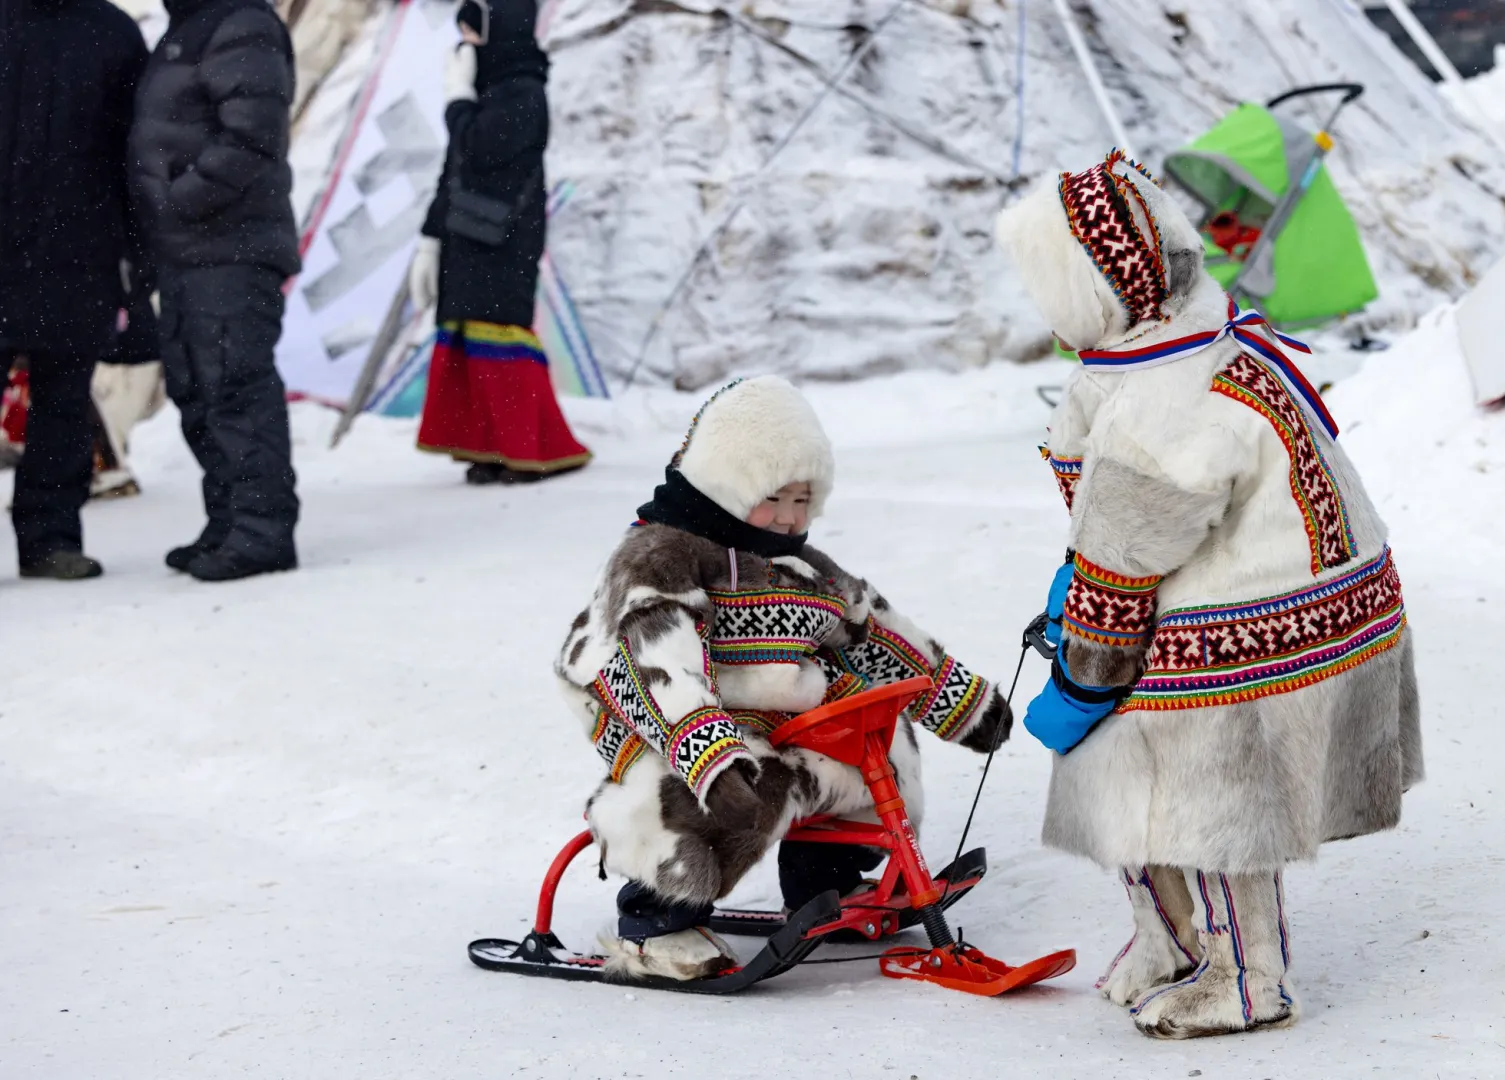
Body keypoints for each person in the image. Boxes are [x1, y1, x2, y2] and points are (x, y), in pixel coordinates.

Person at [996, 152, 1423, 1039]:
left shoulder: (1165, 391)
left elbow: (1123, 568)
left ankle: (1246, 973)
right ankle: (1171, 938)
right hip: (1288, 596)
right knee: (1117, 759)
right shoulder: (1176, 337)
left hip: (1261, 622)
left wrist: (1084, 675)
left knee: (1197, 775)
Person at [553, 376, 1011, 982]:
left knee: (863, 747)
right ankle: (654, 922)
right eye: (775, 498)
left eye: (804, 501)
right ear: (728, 483)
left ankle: (826, 882)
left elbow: (874, 636)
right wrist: (708, 754)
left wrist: (966, 705)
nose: (792, 518)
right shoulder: (664, 554)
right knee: (737, 787)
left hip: (766, 714)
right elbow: (659, 663)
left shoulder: (800, 566)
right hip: (649, 709)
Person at [128, 0, 302, 581]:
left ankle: (262, 532)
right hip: (190, 250)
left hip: (231, 246)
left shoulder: (241, 22)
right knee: (198, 388)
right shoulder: (192, 24)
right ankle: (230, 521)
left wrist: (180, 201)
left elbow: (253, 138)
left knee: (235, 385)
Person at [408, 0, 590, 485]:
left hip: (504, 238)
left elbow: (478, 149)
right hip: (465, 234)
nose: (465, 45)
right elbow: (453, 170)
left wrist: (457, 99)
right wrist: (430, 237)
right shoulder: (492, 90)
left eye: (474, 35)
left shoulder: (524, 92)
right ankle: (487, 446)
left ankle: (535, 449)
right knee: (469, 346)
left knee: (501, 343)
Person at [0, 0, 149, 580]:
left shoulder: (110, 31)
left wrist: (137, 258)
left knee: (63, 407)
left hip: (79, 249)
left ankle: (50, 539)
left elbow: (134, 151)